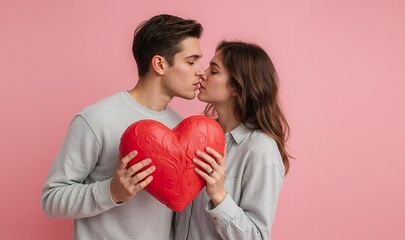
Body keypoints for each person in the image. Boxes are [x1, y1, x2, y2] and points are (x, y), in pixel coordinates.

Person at [41, 14, 204, 240]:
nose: (201, 71)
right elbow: (52, 199)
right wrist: (111, 191)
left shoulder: (181, 130)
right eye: (191, 61)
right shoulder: (96, 119)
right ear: (159, 64)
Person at [175, 41, 291, 240]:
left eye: (214, 70)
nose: (202, 74)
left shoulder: (260, 150)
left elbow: (257, 237)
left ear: (236, 87)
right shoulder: (198, 136)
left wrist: (219, 195)